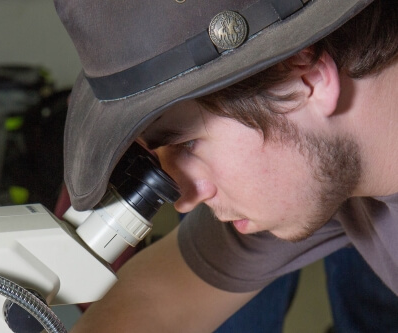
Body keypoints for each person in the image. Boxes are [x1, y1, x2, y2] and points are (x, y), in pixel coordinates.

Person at [52, 0, 398, 331]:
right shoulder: (316, 166)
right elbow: (155, 300)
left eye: (188, 144)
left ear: (306, 78)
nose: (184, 201)